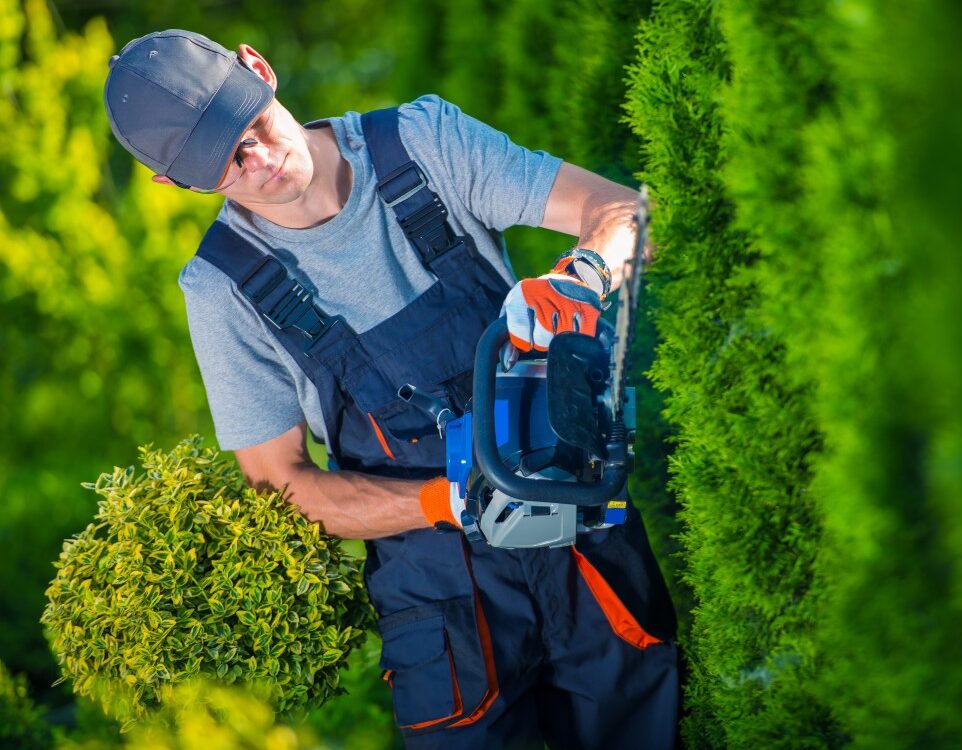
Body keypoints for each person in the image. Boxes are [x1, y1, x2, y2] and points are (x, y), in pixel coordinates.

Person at [103, 29, 678, 749]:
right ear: (174, 184)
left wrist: (584, 276)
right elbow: (282, 486)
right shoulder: (224, 291)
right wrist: (447, 501)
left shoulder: (421, 144)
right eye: (224, 166)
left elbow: (627, 212)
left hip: (578, 531)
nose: (258, 162)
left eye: (247, 127)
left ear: (259, 68)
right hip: (441, 601)